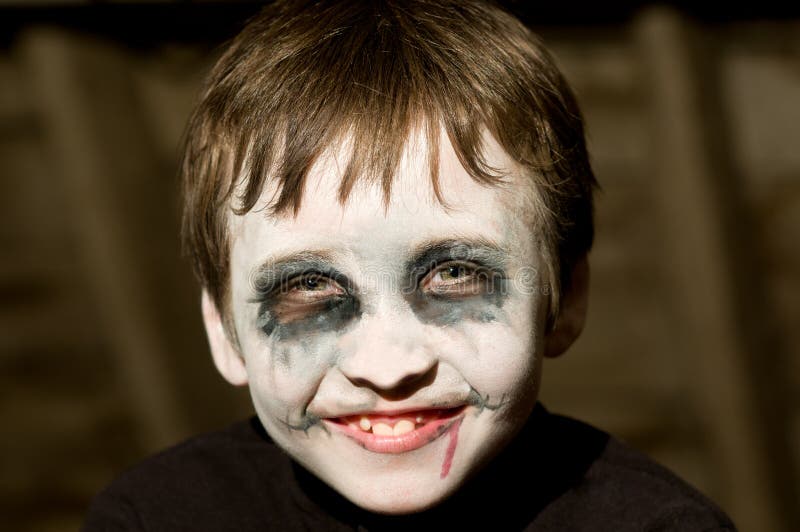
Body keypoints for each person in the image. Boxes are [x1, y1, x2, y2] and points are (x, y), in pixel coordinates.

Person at [83, 1, 736, 530]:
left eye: (454, 275)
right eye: (308, 287)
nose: (389, 368)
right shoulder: (154, 517)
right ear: (225, 331)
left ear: (564, 297)